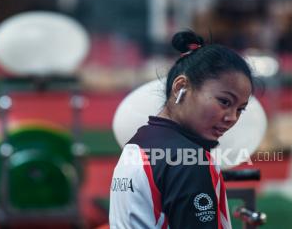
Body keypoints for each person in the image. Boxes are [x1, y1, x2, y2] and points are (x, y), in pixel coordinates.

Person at [109, 30, 254, 229]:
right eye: (224, 101)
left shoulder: (139, 141)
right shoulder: (189, 159)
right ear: (180, 87)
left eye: (240, 109)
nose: (232, 118)